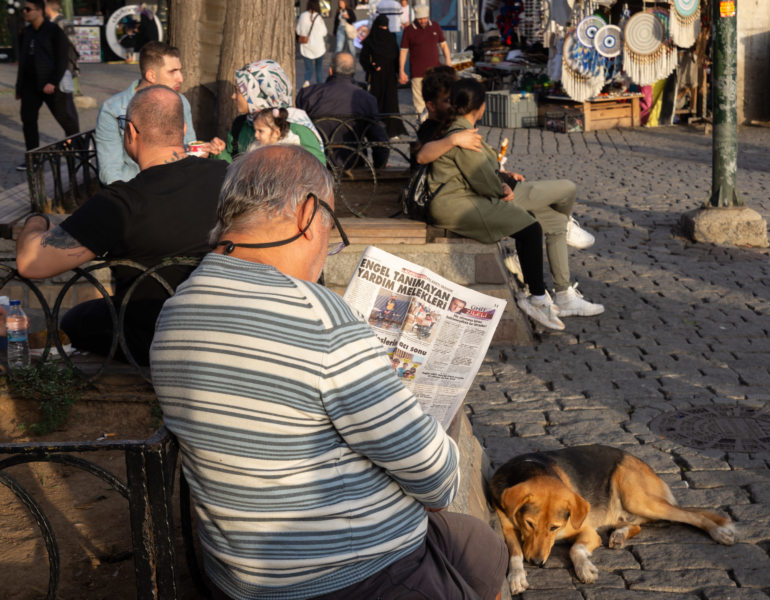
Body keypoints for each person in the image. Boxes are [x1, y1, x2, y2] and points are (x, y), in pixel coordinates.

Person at [149, 144, 508, 600]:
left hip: (237, 575)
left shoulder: (176, 308)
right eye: (328, 228)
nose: (326, 245)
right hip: (351, 576)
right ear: (305, 213)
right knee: (475, 548)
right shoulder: (318, 316)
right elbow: (435, 479)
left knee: (479, 546)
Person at [16, 85, 228, 365]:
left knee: (75, 319)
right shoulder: (228, 177)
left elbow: (31, 263)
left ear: (131, 133)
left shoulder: (120, 203)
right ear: (183, 128)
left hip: (153, 338)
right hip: (223, 328)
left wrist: (36, 220)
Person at [417, 71, 602, 319]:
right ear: (481, 107)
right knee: (536, 222)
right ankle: (537, 297)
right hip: (459, 203)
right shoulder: (456, 132)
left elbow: (481, 168)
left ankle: (558, 293)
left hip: (467, 197)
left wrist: (499, 178)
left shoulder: (458, 130)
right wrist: (500, 187)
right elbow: (477, 175)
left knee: (547, 223)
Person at [95, 41, 206, 184]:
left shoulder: (181, 102)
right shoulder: (113, 109)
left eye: (180, 70)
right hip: (135, 193)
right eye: (172, 71)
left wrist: (201, 151)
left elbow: (188, 148)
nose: (181, 78)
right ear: (151, 76)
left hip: (176, 187)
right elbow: (110, 171)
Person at [214, 59, 325, 165]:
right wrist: (218, 153)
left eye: (239, 91)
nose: (233, 96)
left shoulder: (296, 128)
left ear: (256, 94)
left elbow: (317, 172)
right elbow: (233, 165)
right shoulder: (241, 125)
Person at [14, 0, 80, 171]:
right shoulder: (26, 32)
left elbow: (61, 59)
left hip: (51, 85)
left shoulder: (54, 31)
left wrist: (53, 81)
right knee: (28, 120)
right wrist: (19, 87)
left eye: (28, 9)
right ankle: (34, 158)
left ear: (40, 11)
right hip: (30, 86)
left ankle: (79, 150)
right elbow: (23, 62)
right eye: (23, 10)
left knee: (65, 118)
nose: (25, 12)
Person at [296, 52, 389, 169]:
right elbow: (378, 139)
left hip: (316, 165)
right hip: (353, 164)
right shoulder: (367, 99)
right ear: (353, 72)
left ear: (330, 70)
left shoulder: (308, 94)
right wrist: (379, 167)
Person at [399, 4, 452, 116]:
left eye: (425, 18)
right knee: (419, 101)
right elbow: (403, 52)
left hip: (434, 71)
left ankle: (437, 120)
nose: (423, 21)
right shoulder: (409, 30)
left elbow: (444, 45)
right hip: (417, 72)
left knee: (436, 97)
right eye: (420, 19)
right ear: (416, 18)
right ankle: (422, 122)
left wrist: (448, 60)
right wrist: (401, 71)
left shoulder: (435, 26)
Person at [359, 14, 405, 138]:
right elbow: (396, 56)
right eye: (382, 27)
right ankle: (388, 130)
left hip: (380, 76)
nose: (383, 30)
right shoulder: (389, 37)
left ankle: (381, 130)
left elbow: (363, 58)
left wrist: (372, 67)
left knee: (381, 102)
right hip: (384, 76)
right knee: (387, 102)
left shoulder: (371, 39)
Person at [296, 0, 328, 86]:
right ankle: (320, 85)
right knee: (319, 69)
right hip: (319, 47)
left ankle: (307, 81)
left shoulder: (303, 16)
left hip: (306, 47)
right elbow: (324, 32)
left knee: (308, 69)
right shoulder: (319, 17)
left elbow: (298, 31)